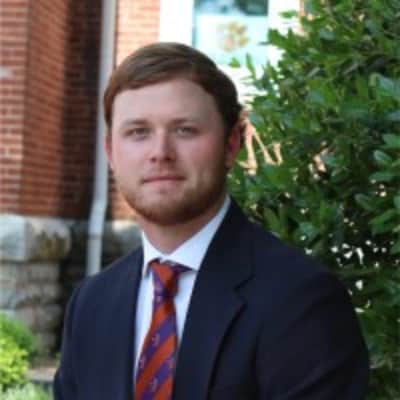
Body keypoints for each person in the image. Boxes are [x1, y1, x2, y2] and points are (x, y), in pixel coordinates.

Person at [54, 42, 369, 400]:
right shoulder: (91, 304)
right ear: (111, 152)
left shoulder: (300, 300)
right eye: (138, 132)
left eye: (185, 129)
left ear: (231, 145)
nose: (160, 152)